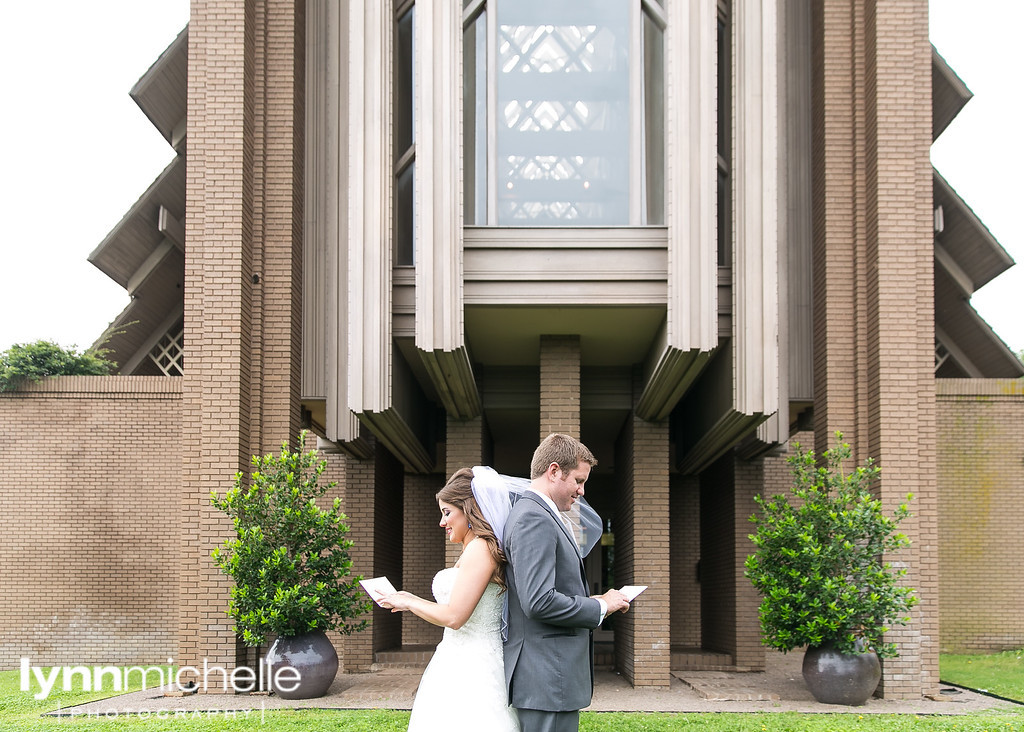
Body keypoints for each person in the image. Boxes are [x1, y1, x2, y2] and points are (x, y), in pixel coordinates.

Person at [503, 433, 631, 732]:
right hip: (547, 676)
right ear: (554, 471)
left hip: (548, 678)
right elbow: (538, 602)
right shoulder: (534, 517)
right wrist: (599, 606)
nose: (582, 491)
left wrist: (599, 600)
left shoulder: (535, 513)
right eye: (578, 480)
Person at [377, 466, 520, 732]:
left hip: (474, 664)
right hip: (455, 657)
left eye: (446, 513)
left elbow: (455, 617)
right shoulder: (472, 549)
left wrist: (408, 601)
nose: (442, 523)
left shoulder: (480, 548)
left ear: (469, 510)